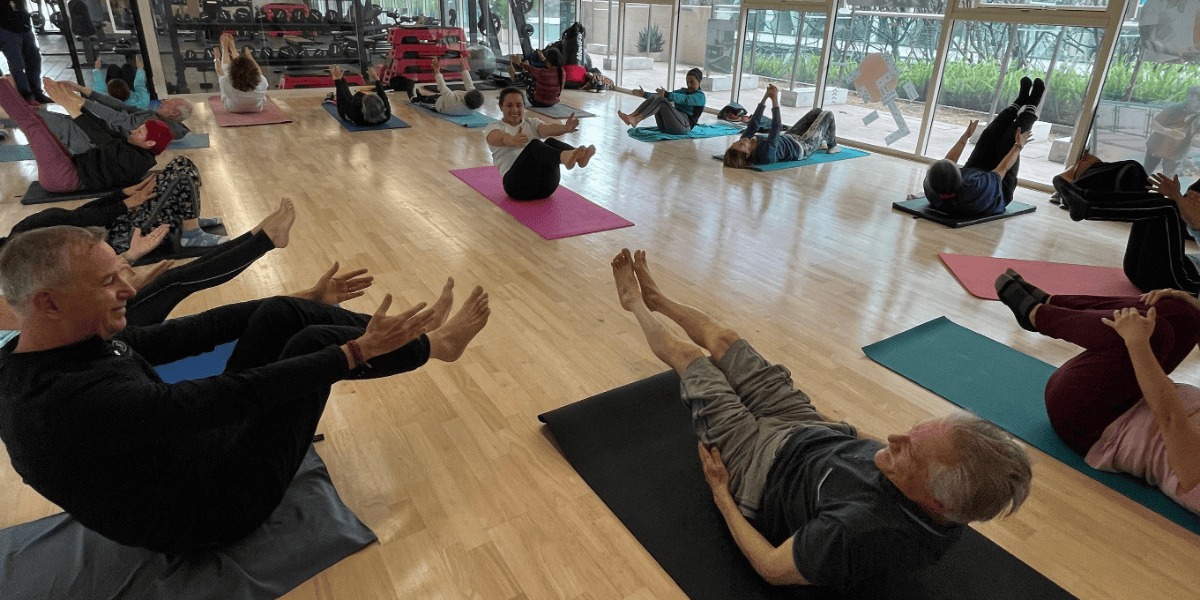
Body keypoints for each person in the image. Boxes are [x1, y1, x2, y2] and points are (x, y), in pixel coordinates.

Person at [0, 225, 491, 554]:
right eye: (110, 281)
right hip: (209, 512)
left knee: (283, 314)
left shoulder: (60, 341)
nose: (129, 290)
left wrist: (302, 297)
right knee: (317, 345)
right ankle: (435, 346)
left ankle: (415, 337)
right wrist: (356, 353)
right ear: (49, 303)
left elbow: (184, 334)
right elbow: (231, 396)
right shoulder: (64, 403)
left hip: (185, 459)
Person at [610, 248, 1031, 591]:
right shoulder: (938, 495)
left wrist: (721, 494)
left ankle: (635, 307)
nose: (893, 437)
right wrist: (833, 425)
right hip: (806, 427)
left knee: (692, 361)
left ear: (935, 501)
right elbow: (871, 445)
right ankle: (658, 299)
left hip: (758, 469)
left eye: (909, 451)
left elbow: (772, 569)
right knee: (726, 341)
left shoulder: (862, 532)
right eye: (911, 433)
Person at [994, 271, 1200, 513]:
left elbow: (1170, 418)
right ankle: (1053, 303)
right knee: (1183, 314)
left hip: (1087, 417)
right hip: (1127, 396)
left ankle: (1036, 314)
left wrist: (1137, 342)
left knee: (1154, 335)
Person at [0, 199, 300, 331]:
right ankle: (265, 239)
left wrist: (127, 260)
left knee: (171, 279)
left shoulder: (20, 277)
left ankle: (259, 236)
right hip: (85, 340)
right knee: (173, 281)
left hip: (80, 328)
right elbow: (37, 321)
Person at [3, 157, 230, 252]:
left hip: (115, 221)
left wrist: (123, 194)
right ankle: (191, 234)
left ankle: (188, 220)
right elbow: (83, 220)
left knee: (181, 163)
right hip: (120, 237)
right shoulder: (27, 250)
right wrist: (127, 204)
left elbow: (79, 214)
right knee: (181, 177)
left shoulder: (21, 231)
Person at [1053, 155, 1200, 294]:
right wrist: (1177, 196)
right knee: (1156, 202)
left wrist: (1177, 198)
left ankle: (1087, 207)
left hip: (1183, 282)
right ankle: (1084, 197)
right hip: (1140, 269)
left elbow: (1194, 221)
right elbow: (1191, 219)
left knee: (1169, 209)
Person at [0, 77, 168, 193]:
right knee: (39, 122)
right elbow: (103, 129)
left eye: (140, 132)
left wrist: (67, 103)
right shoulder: (135, 150)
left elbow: (100, 138)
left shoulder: (136, 159)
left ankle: (2, 86)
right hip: (69, 167)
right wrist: (71, 99)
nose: (133, 130)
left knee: (33, 125)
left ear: (150, 143)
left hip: (64, 178)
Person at [922, 77, 1044, 217]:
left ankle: (1019, 101)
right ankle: (1032, 104)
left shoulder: (931, 186)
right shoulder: (977, 187)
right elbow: (1002, 169)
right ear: (959, 176)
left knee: (988, 135)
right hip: (999, 190)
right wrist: (1018, 146)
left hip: (977, 176)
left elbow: (948, 160)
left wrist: (965, 137)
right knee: (1009, 140)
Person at [483, 87, 596, 201]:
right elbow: (499, 138)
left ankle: (580, 158)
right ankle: (564, 157)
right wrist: (512, 140)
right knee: (534, 145)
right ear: (501, 106)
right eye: (509, 105)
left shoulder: (530, 123)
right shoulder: (494, 127)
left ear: (523, 106)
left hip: (546, 187)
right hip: (517, 187)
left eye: (519, 105)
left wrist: (565, 128)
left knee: (550, 142)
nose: (515, 110)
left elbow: (546, 128)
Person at [722, 84, 839, 169]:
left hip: (790, 137)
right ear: (747, 153)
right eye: (741, 144)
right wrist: (774, 100)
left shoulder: (746, 141)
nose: (742, 139)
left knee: (817, 111)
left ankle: (820, 142)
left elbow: (754, 123)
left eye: (737, 142)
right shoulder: (765, 154)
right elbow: (776, 127)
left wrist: (765, 97)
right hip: (803, 146)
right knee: (828, 114)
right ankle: (832, 145)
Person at [59, 78, 193, 140]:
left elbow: (117, 118)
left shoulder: (155, 123)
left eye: (168, 103)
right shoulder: (159, 117)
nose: (163, 101)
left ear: (174, 112)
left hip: (100, 133)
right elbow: (123, 106)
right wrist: (81, 89)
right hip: (104, 126)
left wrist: (80, 100)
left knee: (56, 121)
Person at [617, 68, 706, 135]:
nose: (689, 85)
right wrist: (644, 94)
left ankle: (636, 119)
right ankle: (631, 116)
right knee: (657, 97)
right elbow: (669, 96)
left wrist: (667, 94)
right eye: (687, 82)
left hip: (684, 127)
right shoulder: (683, 91)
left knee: (661, 100)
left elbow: (685, 99)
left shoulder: (700, 96)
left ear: (700, 81)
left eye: (692, 82)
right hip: (667, 126)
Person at [0, 0, 52, 104]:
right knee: (18, 65)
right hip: (5, 28)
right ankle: (26, 96)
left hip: (24, 25)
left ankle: (37, 92)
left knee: (34, 59)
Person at [1144, 86, 1200, 177]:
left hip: (1176, 155)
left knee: (1168, 180)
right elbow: (1153, 124)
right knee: (1145, 174)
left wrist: (1196, 140)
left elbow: (1197, 137)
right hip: (1156, 149)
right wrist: (1168, 132)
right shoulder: (1174, 109)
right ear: (1190, 96)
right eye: (1199, 99)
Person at [400, 56, 484, 116]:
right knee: (433, 96)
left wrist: (436, 70)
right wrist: (463, 67)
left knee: (422, 101)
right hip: (446, 98)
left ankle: (413, 98)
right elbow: (468, 82)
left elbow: (442, 87)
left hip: (439, 105)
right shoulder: (473, 105)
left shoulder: (452, 102)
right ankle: (421, 96)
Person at [214, 32, 269, 113]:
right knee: (251, 72)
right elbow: (258, 71)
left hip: (232, 108)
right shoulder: (263, 81)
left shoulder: (226, 82)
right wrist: (250, 57)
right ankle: (232, 48)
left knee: (226, 72)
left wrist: (217, 58)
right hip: (256, 108)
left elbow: (219, 71)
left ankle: (225, 48)